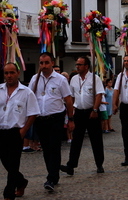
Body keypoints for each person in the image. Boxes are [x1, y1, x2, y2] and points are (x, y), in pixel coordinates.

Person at [28, 52, 74, 191]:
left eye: (46, 62)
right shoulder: (34, 79)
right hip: (40, 119)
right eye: (41, 63)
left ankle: (51, 178)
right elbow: (29, 98)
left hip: (56, 118)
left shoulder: (60, 80)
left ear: (52, 63)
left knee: (54, 148)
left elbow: (68, 100)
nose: (44, 66)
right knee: (46, 149)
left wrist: (71, 119)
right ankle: (53, 173)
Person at [0, 62, 40, 200]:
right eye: (6, 73)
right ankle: (21, 181)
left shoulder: (26, 92)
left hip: (16, 132)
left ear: (18, 73)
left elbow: (33, 112)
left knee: (13, 163)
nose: (9, 76)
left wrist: (23, 130)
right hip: (1, 131)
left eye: (12, 72)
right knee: (6, 162)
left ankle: (8, 194)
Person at [60, 56, 105, 175]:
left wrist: (95, 110)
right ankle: (71, 165)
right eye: (77, 64)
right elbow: (72, 96)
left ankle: (99, 164)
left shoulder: (95, 79)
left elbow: (99, 95)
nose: (77, 67)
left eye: (80, 64)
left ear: (86, 66)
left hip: (92, 112)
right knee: (76, 140)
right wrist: (72, 110)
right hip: (79, 112)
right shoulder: (74, 79)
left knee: (96, 139)